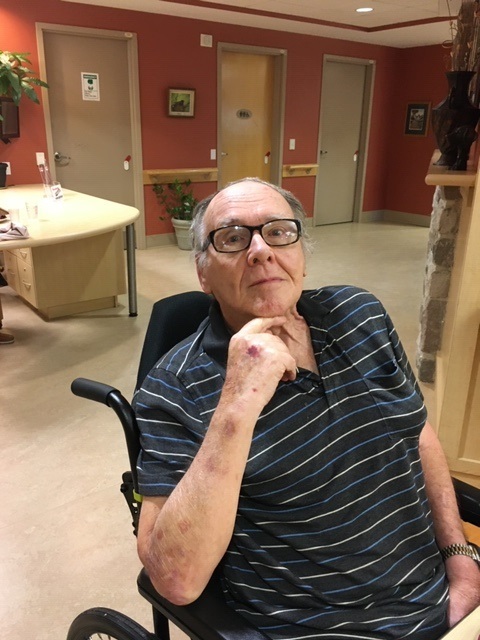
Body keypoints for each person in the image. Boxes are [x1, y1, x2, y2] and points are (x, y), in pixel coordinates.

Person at [134, 178, 480, 640]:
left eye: (279, 232)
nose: (261, 251)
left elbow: (417, 435)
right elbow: (174, 580)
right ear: (203, 274)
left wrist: (460, 557)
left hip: (444, 599)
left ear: (300, 253)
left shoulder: (361, 314)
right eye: (232, 238)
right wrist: (237, 402)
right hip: (317, 626)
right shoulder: (173, 388)